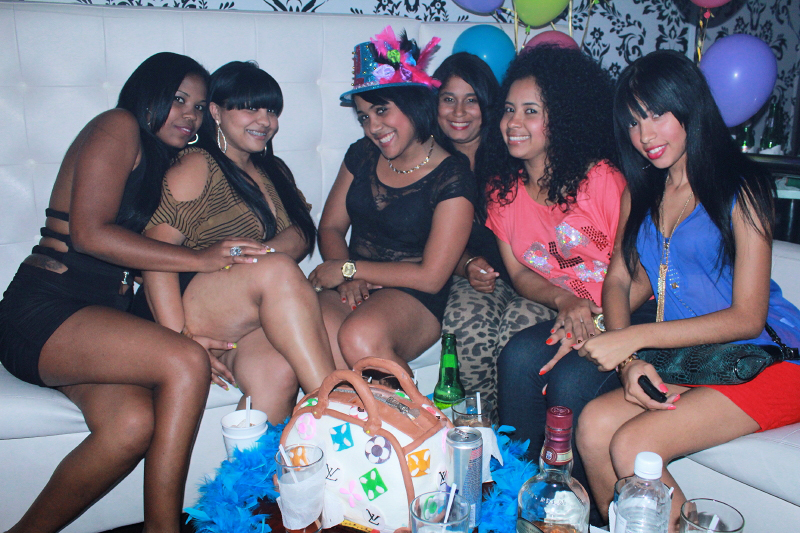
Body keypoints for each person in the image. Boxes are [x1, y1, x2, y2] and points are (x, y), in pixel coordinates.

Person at [0, 53, 268, 533]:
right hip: (45, 308)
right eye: (178, 99)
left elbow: (150, 262)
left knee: (130, 426)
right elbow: (90, 234)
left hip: (101, 320)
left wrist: (185, 325)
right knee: (185, 362)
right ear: (149, 92)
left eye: (198, 107)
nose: (189, 115)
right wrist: (201, 259)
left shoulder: (170, 160)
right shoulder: (117, 126)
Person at [575, 50, 800, 532]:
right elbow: (619, 279)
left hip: (771, 359)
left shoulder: (742, 187)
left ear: (690, 107)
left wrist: (634, 338)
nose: (645, 135)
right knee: (592, 427)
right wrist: (628, 361)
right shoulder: (642, 191)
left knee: (633, 445)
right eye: (633, 122)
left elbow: (748, 317)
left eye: (657, 114)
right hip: (698, 361)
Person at [488, 46, 656, 491]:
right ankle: (518, 492)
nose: (513, 122)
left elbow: (642, 276)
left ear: (562, 118)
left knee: (568, 381)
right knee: (517, 358)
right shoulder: (502, 193)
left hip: (633, 311)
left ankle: (569, 501)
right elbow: (520, 274)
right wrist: (565, 301)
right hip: (577, 313)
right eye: (508, 110)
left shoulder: (601, 181)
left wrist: (598, 322)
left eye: (531, 111)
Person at [137, 61, 335, 423]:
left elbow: (301, 234)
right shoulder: (198, 164)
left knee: (277, 374)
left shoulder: (274, 170)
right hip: (183, 308)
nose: (265, 120)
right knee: (276, 270)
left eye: (271, 110)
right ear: (215, 112)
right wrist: (178, 341)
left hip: (241, 310)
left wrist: (255, 258)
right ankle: (335, 408)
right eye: (249, 108)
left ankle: (257, 463)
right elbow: (155, 255)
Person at [309, 27, 476, 373]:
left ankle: (412, 410)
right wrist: (348, 277)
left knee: (359, 336)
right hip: (355, 285)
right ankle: (371, 408)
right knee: (320, 324)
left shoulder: (453, 173)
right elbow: (331, 227)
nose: (373, 127)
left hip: (415, 295)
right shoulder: (362, 154)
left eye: (382, 110)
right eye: (364, 117)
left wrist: (349, 269)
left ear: (412, 102)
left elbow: (431, 277)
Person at [433, 52, 554, 420]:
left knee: (520, 328)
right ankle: (476, 429)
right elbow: (425, 239)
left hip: (538, 274)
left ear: (488, 105)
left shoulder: (514, 148)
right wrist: (467, 264)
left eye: (471, 100)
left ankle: (518, 438)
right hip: (479, 277)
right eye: (448, 99)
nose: (459, 112)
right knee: (466, 322)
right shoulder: (429, 160)